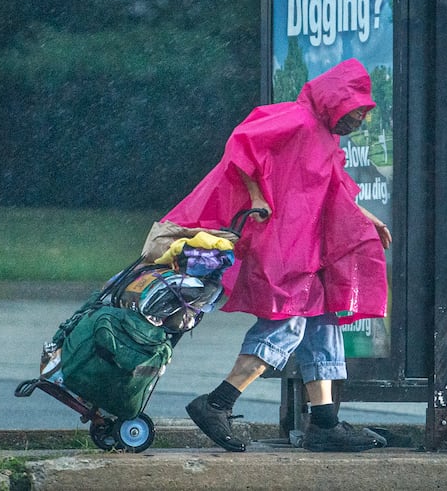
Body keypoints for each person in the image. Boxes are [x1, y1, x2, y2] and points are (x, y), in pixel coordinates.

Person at [161, 58, 391, 452]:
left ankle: (324, 422)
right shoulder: (297, 119)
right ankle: (217, 403)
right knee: (287, 323)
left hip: (308, 247)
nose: (357, 123)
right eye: (354, 113)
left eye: (361, 116)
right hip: (286, 245)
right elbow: (242, 141)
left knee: (321, 323)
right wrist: (256, 196)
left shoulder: (324, 136)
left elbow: (335, 186)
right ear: (335, 100)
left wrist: (370, 219)